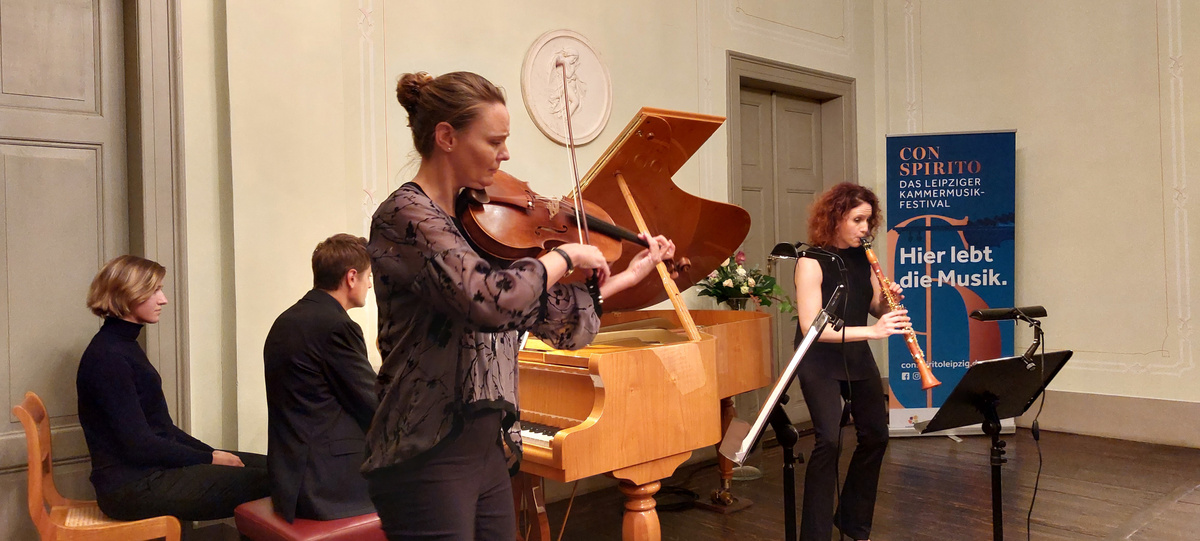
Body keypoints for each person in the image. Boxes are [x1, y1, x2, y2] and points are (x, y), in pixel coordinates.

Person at [362, 70, 675, 540]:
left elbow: (538, 313)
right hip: (426, 450)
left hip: (485, 442)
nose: (505, 154)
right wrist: (563, 256)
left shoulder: (472, 226)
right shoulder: (404, 217)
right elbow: (487, 299)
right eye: (494, 141)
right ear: (446, 136)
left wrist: (629, 276)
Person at [77, 255, 269, 521]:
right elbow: (139, 445)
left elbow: (163, 429)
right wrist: (208, 460)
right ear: (127, 293)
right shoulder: (108, 357)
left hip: (148, 475)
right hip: (132, 488)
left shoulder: (121, 346)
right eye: (154, 290)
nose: (163, 299)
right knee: (277, 481)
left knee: (278, 468)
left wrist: (210, 452)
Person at [792, 183, 909, 541]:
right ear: (835, 218)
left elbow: (873, 306)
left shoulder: (866, 257)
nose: (865, 228)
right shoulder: (810, 261)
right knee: (829, 440)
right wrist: (874, 333)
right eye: (857, 220)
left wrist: (889, 303)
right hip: (819, 358)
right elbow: (813, 328)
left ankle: (853, 521)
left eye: (868, 221)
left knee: (875, 435)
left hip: (855, 354)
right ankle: (814, 535)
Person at [263, 234, 379, 522]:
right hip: (327, 485)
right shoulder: (337, 326)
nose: (370, 284)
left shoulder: (287, 319)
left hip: (291, 477)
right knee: (433, 486)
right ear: (351, 277)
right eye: (368, 276)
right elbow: (376, 405)